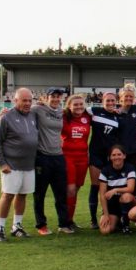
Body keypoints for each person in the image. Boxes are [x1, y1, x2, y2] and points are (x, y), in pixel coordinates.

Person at [0, 88, 39, 241]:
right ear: (15, 100)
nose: (27, 103)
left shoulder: (32, 115)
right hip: (11, 165)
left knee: (23, 195)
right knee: (8, 195)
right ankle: (0, 228)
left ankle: (16, 225)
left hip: (29, 165)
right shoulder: (6, 117)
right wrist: (2, 163)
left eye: (30, 100)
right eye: (24, 100)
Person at [32, 88, 74, 235]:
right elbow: (21, 110)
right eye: (53, 96)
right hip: (42, 157)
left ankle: (63, 223)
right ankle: (41, 225)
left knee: (61, 193)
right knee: (40, 193)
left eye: (58, 96)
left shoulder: (61, 112)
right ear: (46, 97)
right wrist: (4, 113)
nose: (56, 99)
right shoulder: (37, 109)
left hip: (58, 156)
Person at [87, 92, 120, 228]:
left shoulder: (118, 117)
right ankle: (93, 219)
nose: (111, 103)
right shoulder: (94, 111)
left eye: (113, 101)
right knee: (95, 187)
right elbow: (75, 110)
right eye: (108, 101)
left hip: (109, 157)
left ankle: (107, 213)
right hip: (95, 155)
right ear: (102, 100)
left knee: (109, 187)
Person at [61, 93, 91, 228]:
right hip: (68, 156)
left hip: (83, 157)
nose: (79, 107)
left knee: (76, 188)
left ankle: (70, 220)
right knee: (71, 189)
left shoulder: (88, 117)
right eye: (75, 105)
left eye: (81, 104)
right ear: (69, 106)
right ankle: (65, 222)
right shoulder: (63, 117)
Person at [97, 145, 136, 235]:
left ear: (124, 156)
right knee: (105, 231)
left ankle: (126, 225)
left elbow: (130, 188)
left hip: (127, 201)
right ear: (110, 157)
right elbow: (102, 195)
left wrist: (115, 190)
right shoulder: (105, 171)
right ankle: (118, 220)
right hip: (112, 206)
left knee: (126, 196)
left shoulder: (130, 168)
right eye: (113, 155)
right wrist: (106, 214)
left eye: (119, 154)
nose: (116, 157)